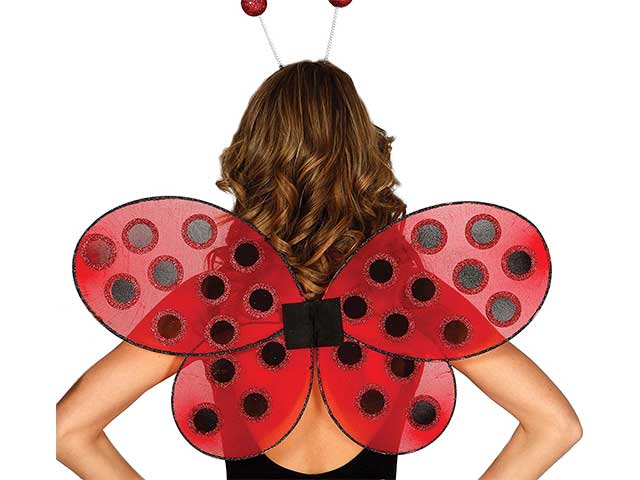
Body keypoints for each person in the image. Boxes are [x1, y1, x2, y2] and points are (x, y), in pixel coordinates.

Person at [56, 60, 582, 480]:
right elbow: (554, 426)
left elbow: (68, 431)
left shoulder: (215, 298)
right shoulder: (408, 295)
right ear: (362, 158)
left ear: (254, 159)